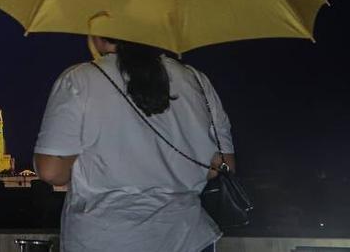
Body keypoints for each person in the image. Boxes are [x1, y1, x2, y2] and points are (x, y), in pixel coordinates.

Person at [34, 35, 235, 252]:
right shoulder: (196, 79)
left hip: (108, 239)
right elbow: (223, 165)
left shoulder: (80, 79)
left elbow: (52, 172)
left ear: (98, 34)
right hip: (188, 237)